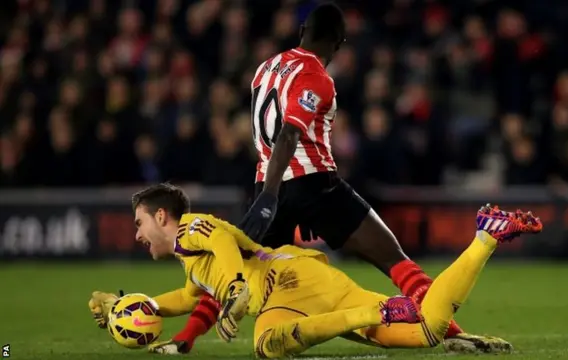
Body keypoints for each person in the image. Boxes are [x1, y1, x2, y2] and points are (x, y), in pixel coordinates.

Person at [239, 2, 508, 351]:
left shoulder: (264, 69)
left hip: (271, 181)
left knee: (245, 278)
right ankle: (453, 335)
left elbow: (268, 136)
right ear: (338, 42)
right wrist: (272, 200)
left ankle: (185, 337)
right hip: (310, 185)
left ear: (303, 31)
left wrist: (273, 197)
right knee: (396, 261)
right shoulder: (317, 77)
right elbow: (289, 135)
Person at [89, 183, 543, 356]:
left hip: (286, 289)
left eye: (140, 223)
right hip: (314, 285)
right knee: (425, 331)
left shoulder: (192, 229)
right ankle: (486, 236)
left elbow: (225, 242)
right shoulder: (192, 265)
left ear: (162, 217)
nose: (137, 234)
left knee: (266, 347)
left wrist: (233, 289)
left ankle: (371, 315)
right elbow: (187, 298)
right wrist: (135, 307)